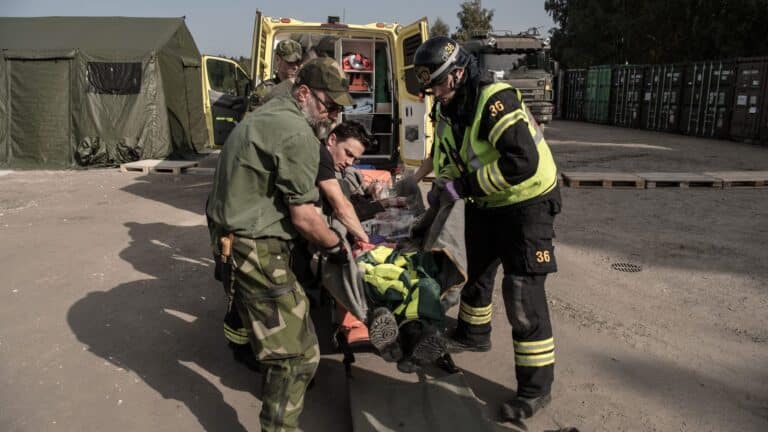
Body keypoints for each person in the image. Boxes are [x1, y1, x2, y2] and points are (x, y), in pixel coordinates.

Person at [413, 36, 562, 422]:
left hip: (528, 202)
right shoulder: (448, 108)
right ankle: (473, 335)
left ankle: (534, 389)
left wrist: (462, 188)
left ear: (459, 73)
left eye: (438, 85)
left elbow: (522, 162)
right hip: (489, 202)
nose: (435, 95)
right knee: (474, 270)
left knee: (522, 294)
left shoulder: (495, 100)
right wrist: (437, 189)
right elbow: (447, 156)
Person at [206, 58, 356, 432]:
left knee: (294, 318)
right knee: (297, 357)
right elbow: (305, 217)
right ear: (304, 93)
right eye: (329, 106)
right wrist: (338, 246)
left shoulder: (271, 112)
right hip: (253, 246)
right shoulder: (297, 134)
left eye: (339, 108)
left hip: (234, 236)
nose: (333, 116)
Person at [316, 121, 373, 243]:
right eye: (348, 154)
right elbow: (341, 207)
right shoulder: (320, 155)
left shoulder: (331, 162)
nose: (349, 162)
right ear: (332, 140)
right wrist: (366, 241)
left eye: (354, 158)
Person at [249, 39, 303, 109]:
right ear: (278, 59)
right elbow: (251, 117)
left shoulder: (303, 90)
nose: (295, 67)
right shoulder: (266, 90)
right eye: (290, 62)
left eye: (298, 62)